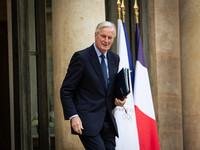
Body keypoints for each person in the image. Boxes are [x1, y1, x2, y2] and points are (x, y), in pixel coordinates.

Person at [60, 21, 126, 150]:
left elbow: (108, 89)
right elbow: (66, 90)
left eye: (110, 37)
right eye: (103, 36)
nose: (106, 40)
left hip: (108, 121)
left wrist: (119, 99)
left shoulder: (115, 58)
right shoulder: (81, 57)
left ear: (113, 39)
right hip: (87, 121)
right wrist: (74, 116)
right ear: (95, 35)